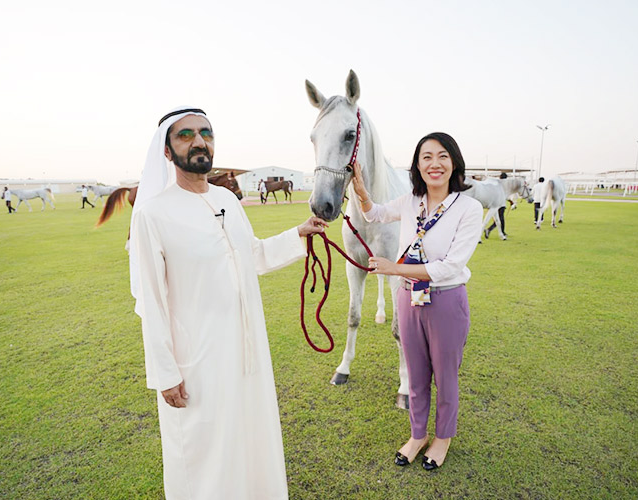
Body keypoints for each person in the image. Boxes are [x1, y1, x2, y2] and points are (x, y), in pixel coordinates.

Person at [129, 106, 327, 499]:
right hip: (197, 359)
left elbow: (249, 255)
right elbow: (150, 299)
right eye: (185, 135)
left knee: (249, 437)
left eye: (206, 133)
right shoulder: (153, 213)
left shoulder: (227, 200)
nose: (199, 141)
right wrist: (165, 373)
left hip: (247, 351)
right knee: (203, 450)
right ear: (167, 151)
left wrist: (297, 235)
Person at [350, 132, 482, 470]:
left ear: (454, 163)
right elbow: (375, 214)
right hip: (408, 299)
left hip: (446, 301)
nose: (434, 164)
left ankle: (443, 438)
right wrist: (363, 194)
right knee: (417, 372)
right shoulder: (410, 201)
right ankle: (417, 434)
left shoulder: (469, 208)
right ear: (417, 165)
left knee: (445, 375)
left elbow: (452, 265)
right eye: (426, 157)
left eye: (442, 156)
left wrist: (395, 268)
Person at [485, 172, 508, 238]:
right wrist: (510, 200)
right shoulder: (503, 184)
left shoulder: (496, 183)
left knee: (499, 219)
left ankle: (502, 232)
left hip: (495, 203)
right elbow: (505, 194)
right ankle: (490, 229)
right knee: (500, 219)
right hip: (501, 204)